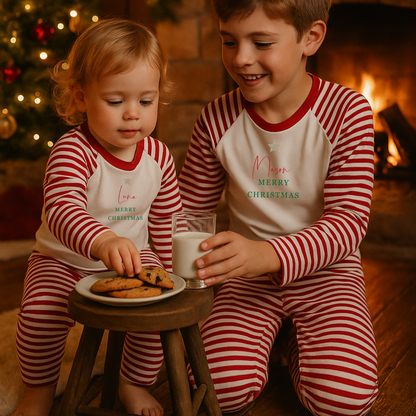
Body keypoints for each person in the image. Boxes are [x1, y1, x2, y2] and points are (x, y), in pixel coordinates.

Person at [177, 0, 379, 415]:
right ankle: (269, 338)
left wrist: (267, 254)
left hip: (328, 274)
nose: (241, 58)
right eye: (228, 41)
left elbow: (348, 224)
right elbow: (188, 214)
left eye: (261, 42)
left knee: (345, 400)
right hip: (243, 278)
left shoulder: (347, 112)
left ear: (311, 38)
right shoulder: (216, 118)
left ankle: (295, 342)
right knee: (218, 390)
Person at [12, 18, 181, 416]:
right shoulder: (74, 151)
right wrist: (103, 240)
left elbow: (167, 219)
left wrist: (175, 271)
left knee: (155, 315)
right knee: (39, 315)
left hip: (133, 258)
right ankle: (38, 390)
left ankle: (130, 382)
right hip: (63, 260)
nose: (132, 115)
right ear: (82, 97)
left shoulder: (158, 157)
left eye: (145, 101)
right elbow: (62, 208)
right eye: (115, 101)